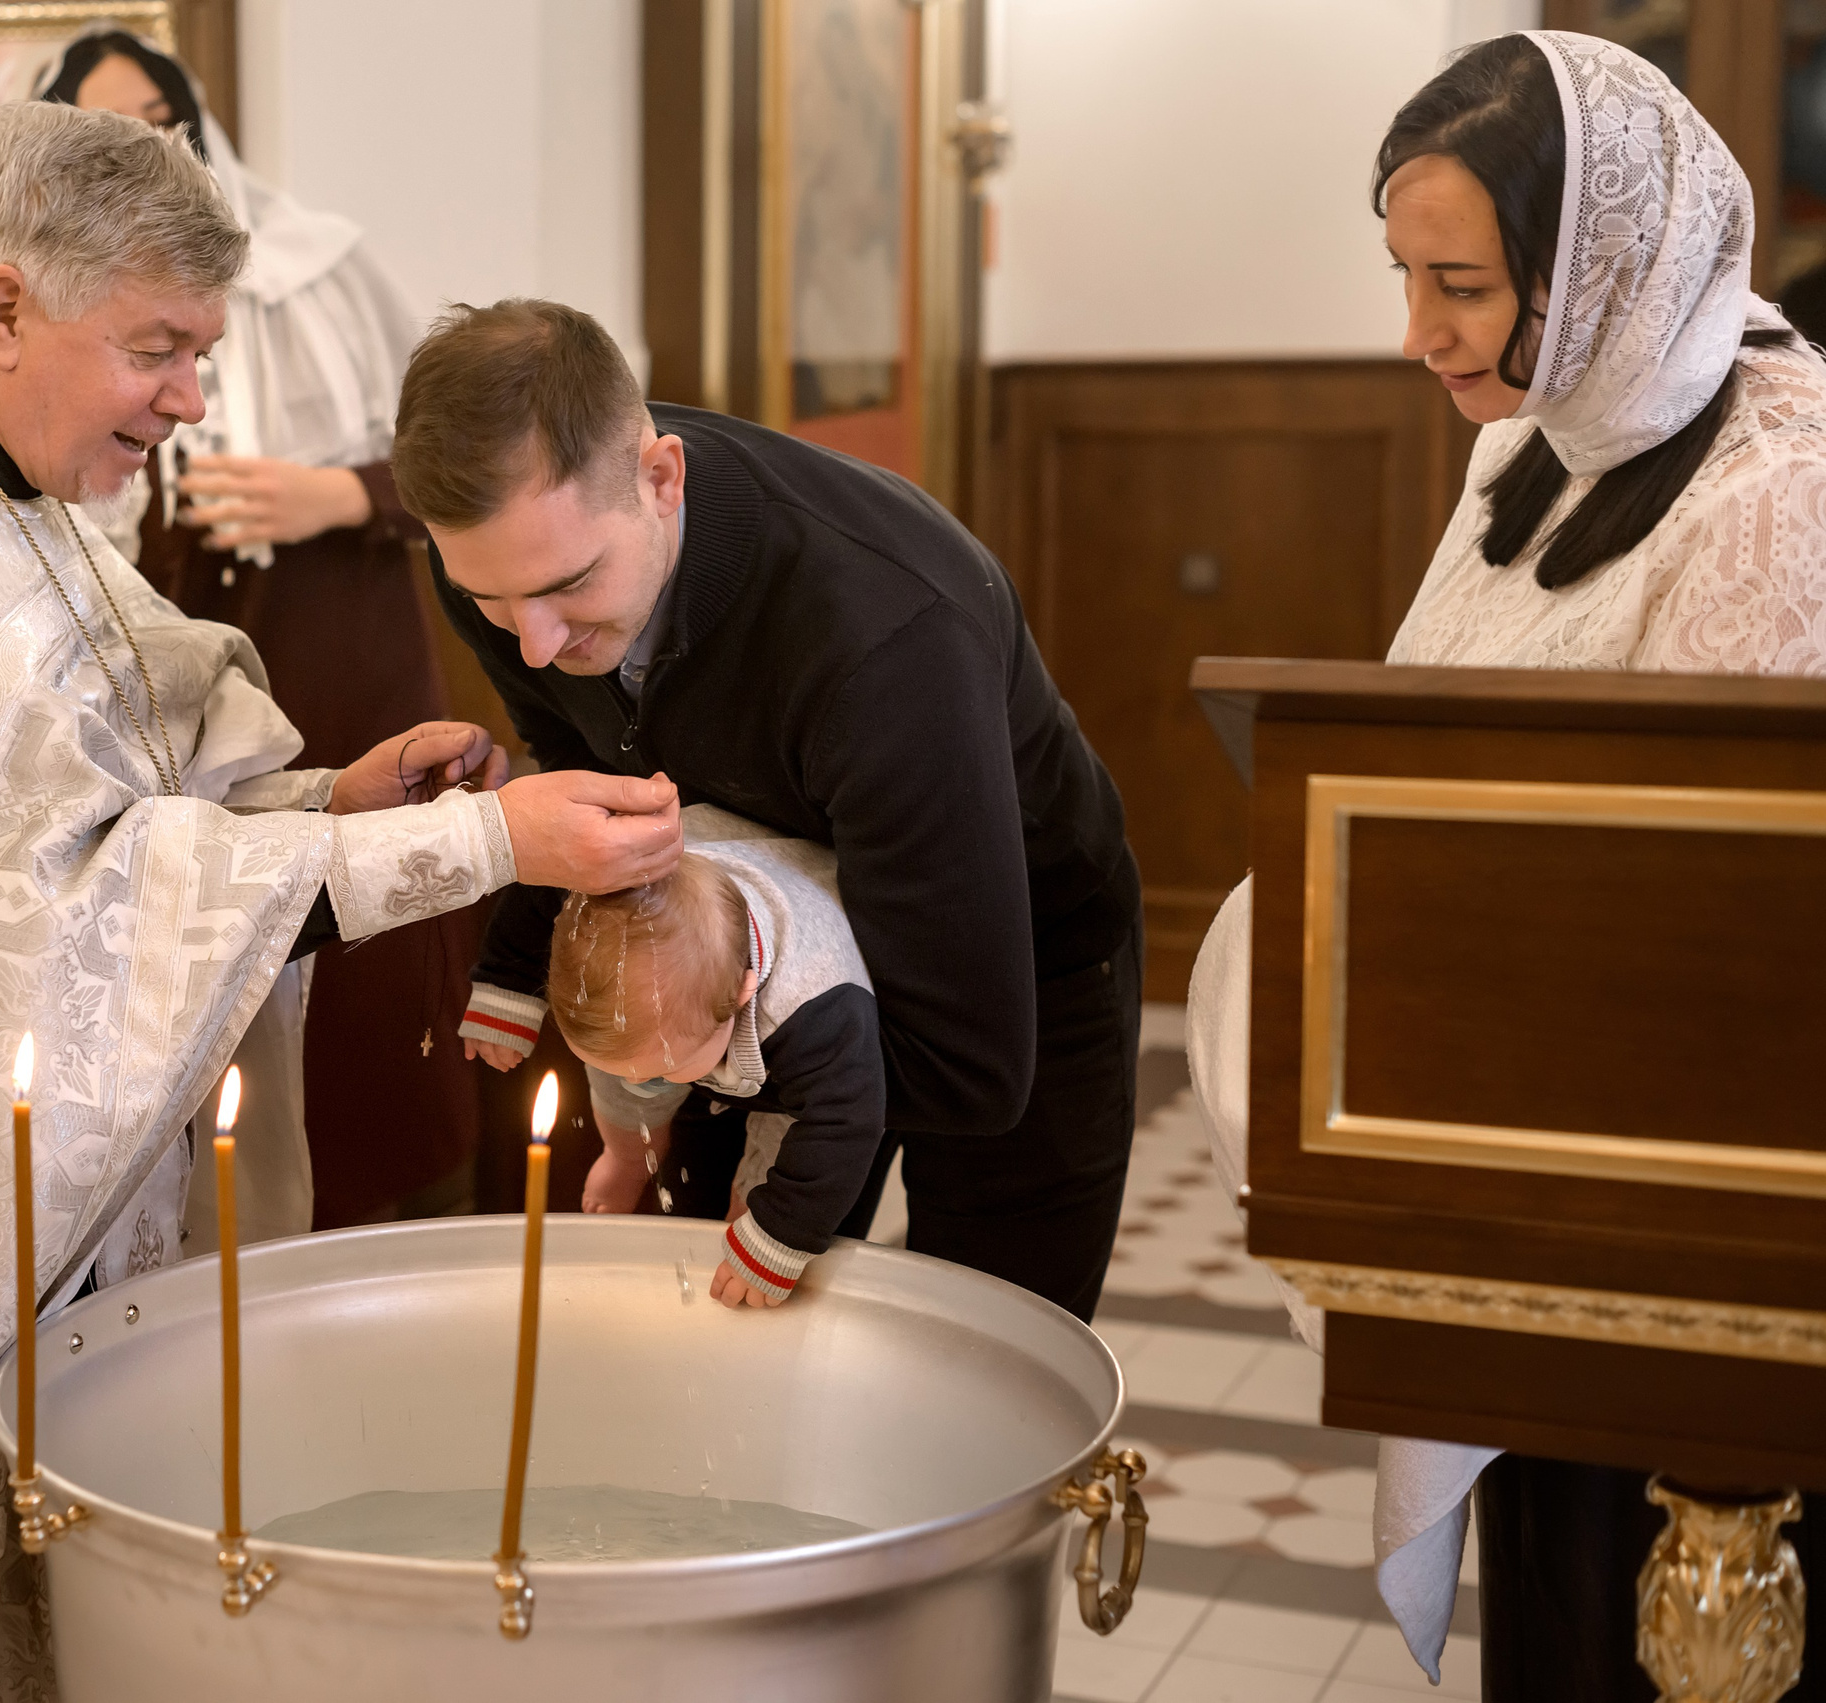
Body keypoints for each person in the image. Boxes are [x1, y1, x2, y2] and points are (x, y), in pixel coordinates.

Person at [0, 105, 678, 1703]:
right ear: (6, 308)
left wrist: (332, 801)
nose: (191, 400)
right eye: (158, 347)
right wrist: (479, 846)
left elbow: (106, 818)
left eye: (201, 351)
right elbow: (45, 936)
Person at [1185, 30, 1826, 1700]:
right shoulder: (1538, 442)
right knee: (1551, 1615)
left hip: (1684, 1239)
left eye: (1460, 284)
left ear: (1602, 263)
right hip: (1521, 1185)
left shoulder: (1779, 486)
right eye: (1404, 276)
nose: (1419, 332)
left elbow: (1713, 914)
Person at [396, 299, 1143, 1325]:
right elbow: (586, 751)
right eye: (490, 601)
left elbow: (971, 1070)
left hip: (1003, 959)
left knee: (988, 1343)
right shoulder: (510, 561)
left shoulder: (887, 636)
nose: (532, 645)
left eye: (571, 587)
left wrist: (735, 1077)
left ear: (661, 478)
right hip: (731, 936)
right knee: (707, 1322)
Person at [39, 28, 487, 1226]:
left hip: (347, 670)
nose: (142, 152)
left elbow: (457, 466)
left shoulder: (318, 264)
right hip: (184, 706)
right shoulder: (54, 313)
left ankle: (405, 1243)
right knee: (221, 984)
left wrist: (333, 495)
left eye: (160, 125)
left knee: (373, 972)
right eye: (105, 132)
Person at [545, 805, 882, 1308]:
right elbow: (532, 894)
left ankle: (750, 1207)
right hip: (701, 858)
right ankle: (626, 1154)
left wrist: (776, 1235)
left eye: (666, 1067)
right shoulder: (606, 918)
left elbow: (844, 1124)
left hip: (807, 954)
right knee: (624, 1059)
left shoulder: (810, 1015)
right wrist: (626, 1154)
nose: (640, 1082)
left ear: (741, 996)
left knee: (784, 1132)